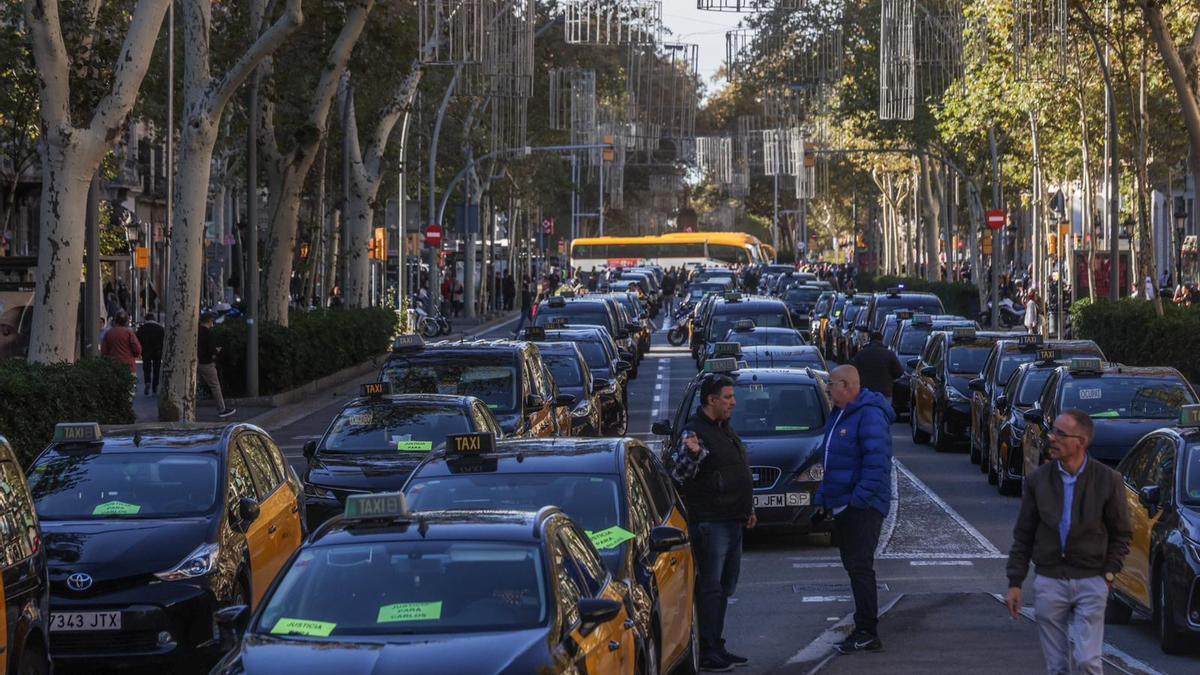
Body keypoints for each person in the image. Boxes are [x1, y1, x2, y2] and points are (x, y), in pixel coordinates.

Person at [1005, 410, 1131, 675]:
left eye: (1061, 434)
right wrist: (1015, 582)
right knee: (1057, 666)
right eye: (1053, 431)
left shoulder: (1109, 480)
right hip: (1050, 579)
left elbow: (1121, 533)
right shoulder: (1038, 481)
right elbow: (1023, 534)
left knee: (1087, 662)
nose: (1052, 438)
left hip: (1091, 580)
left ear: (1081, 442)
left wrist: (1108, 574)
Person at [669, 374, 754, 671]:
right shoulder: (694, 433)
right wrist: (693, 455)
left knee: (725, 586)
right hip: (710, 521)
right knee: (711, 588)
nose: (733, 402)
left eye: (732, 397)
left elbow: (737, 469)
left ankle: (717, 644)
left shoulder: (724, 429)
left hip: (732, 519)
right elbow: (678, 474)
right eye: (727, 397)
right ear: (711, 401)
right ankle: (707, 649)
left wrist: (749, 507)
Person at [816, 365, 894, 654]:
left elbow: (876, 465)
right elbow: (832, 460)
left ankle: (867, 631)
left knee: (861, 568)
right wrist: (823, 500)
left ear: (848, 385)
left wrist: (856, 502)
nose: (828, 390)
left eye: (832, 385)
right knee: (855, 567)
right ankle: (863, 626)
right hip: (844, 504)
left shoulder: (869, 415)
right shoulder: (841, 413)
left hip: (861, 507)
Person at [198, 312, 236, 418]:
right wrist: (217, 351)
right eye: (212, 321)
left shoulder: (196, 330)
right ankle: (222, 409)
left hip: (194, 361)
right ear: (209, 321)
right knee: (215, 386)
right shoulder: (208, 333)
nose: (213, 323)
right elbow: (211, 349)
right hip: (206, 362)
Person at [850, 331, 903, 401]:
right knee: (884, 410)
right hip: (884, 392)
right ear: (882, 340)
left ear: (870, 340)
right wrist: (889, 378)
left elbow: (853, 371)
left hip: (866, 392)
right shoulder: (889, 354)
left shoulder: (861, 354)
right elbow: (899, 372)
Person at [100, 311, 142, 377]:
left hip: (113, 366)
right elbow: (137, 349)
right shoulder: (129, 333)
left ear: (115, 321)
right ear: (126, 321)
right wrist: (134, 355)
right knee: (130, 386)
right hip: (128, 366)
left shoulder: (109, 333)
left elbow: (104, 351)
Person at [136, 312, 165, 396]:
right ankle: (155, 386)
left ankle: (147, 382)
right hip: (157, 351)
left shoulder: (141, 328)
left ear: (146, 319)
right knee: (157, 369)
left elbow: (138, 340)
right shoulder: (160, 328)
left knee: (146, 368)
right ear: (154, 319)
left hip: (146, 351)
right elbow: (164, 340)